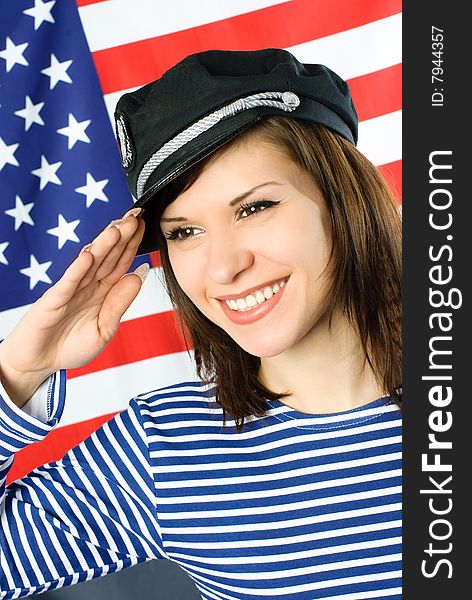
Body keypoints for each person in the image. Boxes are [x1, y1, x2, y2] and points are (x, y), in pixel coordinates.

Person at [0, 49, 402, 598]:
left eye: (254, 208)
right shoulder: (167, 446)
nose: (223, 267)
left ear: (343, 200)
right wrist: (20, 372)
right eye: (185, 231)